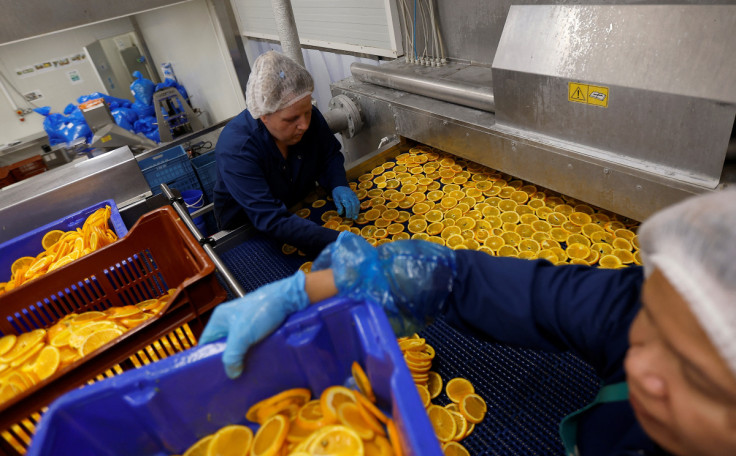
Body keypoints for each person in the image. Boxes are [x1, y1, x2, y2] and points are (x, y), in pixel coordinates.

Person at [200, 189, 736, 456]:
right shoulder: (638, 304)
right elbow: (455, 280)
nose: (642, 367)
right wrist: (300, 291)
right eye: (650, 323)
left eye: (698, 378)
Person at [213, 51, 360, 255]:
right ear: (264, 116)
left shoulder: (310, 119)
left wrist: (338, 183)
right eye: (291, 119)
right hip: (246, 232)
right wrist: (336, 241)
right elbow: (269, 218)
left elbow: (330, 154)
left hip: (294, 213)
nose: (304, 124)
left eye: (307, 111)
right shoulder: (237, 148)